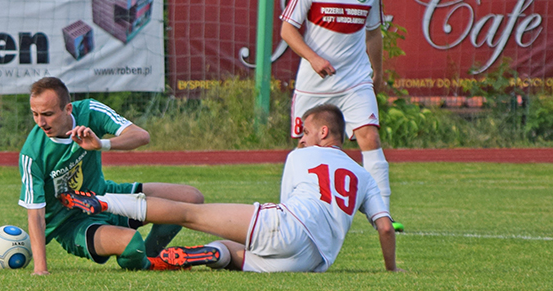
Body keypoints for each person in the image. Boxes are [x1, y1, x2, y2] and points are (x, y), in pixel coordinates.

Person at [60, 104, 402, 273]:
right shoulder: (363, 175)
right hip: (314, 261)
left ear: (324, 133)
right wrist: (391, 269)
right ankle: (206, 255)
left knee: (190, 213)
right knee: (231, 250)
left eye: (306, 131)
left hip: (287, 225)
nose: (302, 138)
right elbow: (385, 227)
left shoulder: (303, 155)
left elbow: (286, 208)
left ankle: (101, 202)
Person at [279, 0, 403, 232]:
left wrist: (377, 73)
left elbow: (374, 34)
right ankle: (290, 211)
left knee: (370, 136)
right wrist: (314, 58)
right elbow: (287, 29)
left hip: (355, 79)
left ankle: (382, 216)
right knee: (304, 147)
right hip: (315, 81)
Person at [18, 76, 213, 275]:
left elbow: (141, 136)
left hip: (107, 196)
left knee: (191, 198)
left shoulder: (90, 111)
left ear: (68, 109)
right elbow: (35, 215)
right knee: (132, 243)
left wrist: (102, 144)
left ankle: (152, 253)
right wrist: (40, 269)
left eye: (47, 114)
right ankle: (147, 263)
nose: (41, 122)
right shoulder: (32, 154)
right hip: (73, 224)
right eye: (35, 114)